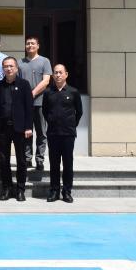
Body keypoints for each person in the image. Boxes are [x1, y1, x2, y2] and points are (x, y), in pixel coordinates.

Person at [0, 57, 33, 202]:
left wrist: (28, 126)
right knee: (4, 160)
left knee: (21, 160)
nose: (8, 69)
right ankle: (7, 188)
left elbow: (29, 107)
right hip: (2, 129)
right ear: (3, 69)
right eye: (5, 66)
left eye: (11, 66)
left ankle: (20, 189)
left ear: (16, 68)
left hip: (20, 129)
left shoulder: (24, 84)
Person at [42, 63, 82, 204]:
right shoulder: (48, 92)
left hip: (68, 134)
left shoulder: (73, 92)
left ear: (66, 74)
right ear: (53, 75)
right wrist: (52, 122)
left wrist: (71, 125)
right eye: (55, 72)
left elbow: (79, 112)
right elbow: (45, 111)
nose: (58, 75)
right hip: (53, 133)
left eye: (60, 72)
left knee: (68, 163)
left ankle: (67, 191)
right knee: (54, 164)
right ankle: (54, 191)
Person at [18, 35, 53, 171]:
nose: (30, 46)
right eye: (28, 43)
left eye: (33, 43)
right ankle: (27, 159)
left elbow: (46, 81)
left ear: (38, 46)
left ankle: (39, 160)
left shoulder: (44, 61)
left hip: (40, 103)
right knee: (26, 132)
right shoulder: (20, 63)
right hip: (24, 105)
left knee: (41, 133)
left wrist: (31, 94)